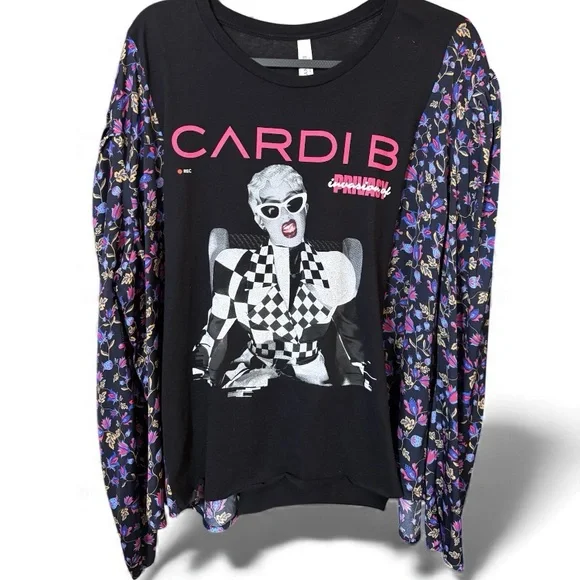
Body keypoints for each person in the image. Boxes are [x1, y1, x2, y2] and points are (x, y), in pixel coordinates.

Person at [191, 164, 374, 397]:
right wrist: (198, 381)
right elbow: (212, 338)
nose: (286, 216)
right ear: (259, 219)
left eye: (293, 203)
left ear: (305, 208)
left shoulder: (335, 266)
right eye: (271, 210)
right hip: (251, 378)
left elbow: (351, 344)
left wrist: (357, 395)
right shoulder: (234, 265)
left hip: (313, 382)